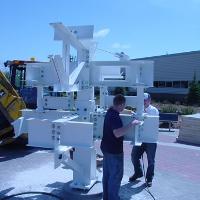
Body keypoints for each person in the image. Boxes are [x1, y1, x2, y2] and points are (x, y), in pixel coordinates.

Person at [100, 94, 140, 200]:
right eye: (124, 106)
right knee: (116, 176)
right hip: (114, 151)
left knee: (107, 176)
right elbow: (117, 133)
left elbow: (121, 110)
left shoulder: (110, 112)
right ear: (121, 104)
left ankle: (107, 198)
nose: (124, 108)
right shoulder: (115, 116)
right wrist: (132, 124)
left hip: (106, 148)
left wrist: (130, 112)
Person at [129, 93, 159, 187]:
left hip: (151, 140)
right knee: (134, 155)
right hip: (140, 138)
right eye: (142, 100)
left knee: (151, 160)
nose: (143, 102)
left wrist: (141, 116)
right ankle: (138, 173)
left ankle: (149, 178)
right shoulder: (139, 109)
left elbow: (150, 122)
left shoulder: (154, 110)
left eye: (145, 100)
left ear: (149, 100)